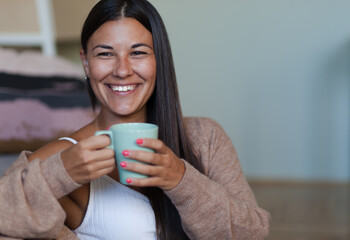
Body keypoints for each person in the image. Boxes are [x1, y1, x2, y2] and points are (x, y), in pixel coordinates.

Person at [3, 0, 271, 239]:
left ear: (159, 59)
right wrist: (61, 173)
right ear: (86, 63)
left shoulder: (205, 137)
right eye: (105, 54)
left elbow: (252, 232)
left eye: (138, 52)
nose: (122, 70)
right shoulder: (65, 155)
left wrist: (180, 179)